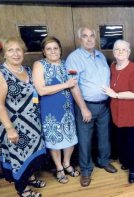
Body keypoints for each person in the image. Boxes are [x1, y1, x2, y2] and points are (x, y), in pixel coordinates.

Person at [0, 37, 46, 197]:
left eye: (18, 50)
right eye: (10, 50)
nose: (15, 54)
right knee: (18, 157)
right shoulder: (0, 74)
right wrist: (9, 129)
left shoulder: (27, 70)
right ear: (4, 54)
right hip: (13, 125)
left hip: (32, 124)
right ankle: (22, 189)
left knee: (30, 155)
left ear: (23, 52)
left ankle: (29, 177)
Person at [65, 27, 117, 187]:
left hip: (104, 105)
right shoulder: (74, 58)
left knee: (104, 137)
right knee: (85, 140)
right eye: (85, 36)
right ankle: (86, 171)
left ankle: (103, 161)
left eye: (92, 36)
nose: (89, 39)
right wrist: (83, 108)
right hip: (86, 106)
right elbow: (73, 86)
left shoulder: (101, 56)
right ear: (80, 39)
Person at [32, 36, 79, 184]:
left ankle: (67, 163)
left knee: (70, 138)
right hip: (50, 110)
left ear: (60, 50)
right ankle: (59, 167)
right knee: (55, 140)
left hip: (67, 109)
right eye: (49, 49)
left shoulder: (66, 64)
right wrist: (65, 85)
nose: (53, 51)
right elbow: (41, 90)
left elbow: (75, 85)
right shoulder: (39, 64)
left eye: (55, 48)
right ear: (44, 52)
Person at [103, 40, 134, 184]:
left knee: (132, 141)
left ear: (129, 52)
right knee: (121, 140)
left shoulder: (133, 68)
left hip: (130, 111)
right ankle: (126, 161)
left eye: (123, 50)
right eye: (117, 49)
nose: (120, 52)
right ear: (113, 52)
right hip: (116, 111)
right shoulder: (113, 66)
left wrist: (117, 95)